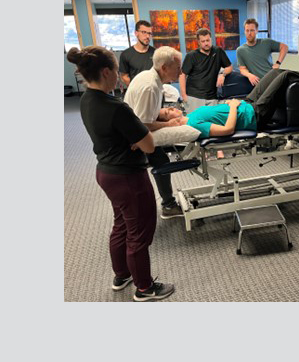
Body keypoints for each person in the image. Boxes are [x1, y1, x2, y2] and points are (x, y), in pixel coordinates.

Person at [66, 46, 175, 301]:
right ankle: (145, 288)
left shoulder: (86, 100)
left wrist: (135, 135)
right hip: (128, 178)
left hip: (106, 172)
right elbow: (148, 144)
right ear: (106, 72)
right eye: (116, 71)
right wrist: (141, 136)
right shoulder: (116, 107)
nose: (119, 76)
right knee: (139, 232)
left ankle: (121, 275)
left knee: (122, 225)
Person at [123, 46, 186, 219]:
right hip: (132, 138)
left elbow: (145, 111)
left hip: (133, 128)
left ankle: (167, 204)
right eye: (178, 67)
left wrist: (163, 113)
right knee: (161, 162)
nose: (180, 71)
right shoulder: (151, 86)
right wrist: (170, 124)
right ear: (164, 68)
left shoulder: (149, 77)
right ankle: (168, 205)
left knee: (160, 160)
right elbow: (143, 125)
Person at [179, 28, 233, 114]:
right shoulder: (191, 56)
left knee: (212, 124)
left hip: (212, 97)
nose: (206, 43)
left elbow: (229, 67)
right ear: (199, 42)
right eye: (203, 41)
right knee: (194, 125)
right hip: (194, 97)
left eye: (207, 40)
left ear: (211, 39)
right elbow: (182, 75)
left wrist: (222, 74)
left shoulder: (218, 51)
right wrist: (184, 96)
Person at [236, 18, 288, 86]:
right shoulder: (240, 50)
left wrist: (278, 63)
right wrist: (249, 75)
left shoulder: (266, 42)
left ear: (257, 31)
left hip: (273, 79)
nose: (249, 33)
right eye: (247, 30)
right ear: (244, 31)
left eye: (252, 30)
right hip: (258, 84)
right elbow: (242, 69)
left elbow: (284, 47)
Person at [118, 20, 155, 88]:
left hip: (154, 92)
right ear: (136, 33)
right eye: (144, 32)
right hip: (136, 93)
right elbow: (124, 76)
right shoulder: (126, 54)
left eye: (149, 33)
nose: (147, 36)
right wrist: (136, 88)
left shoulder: (156, 53)